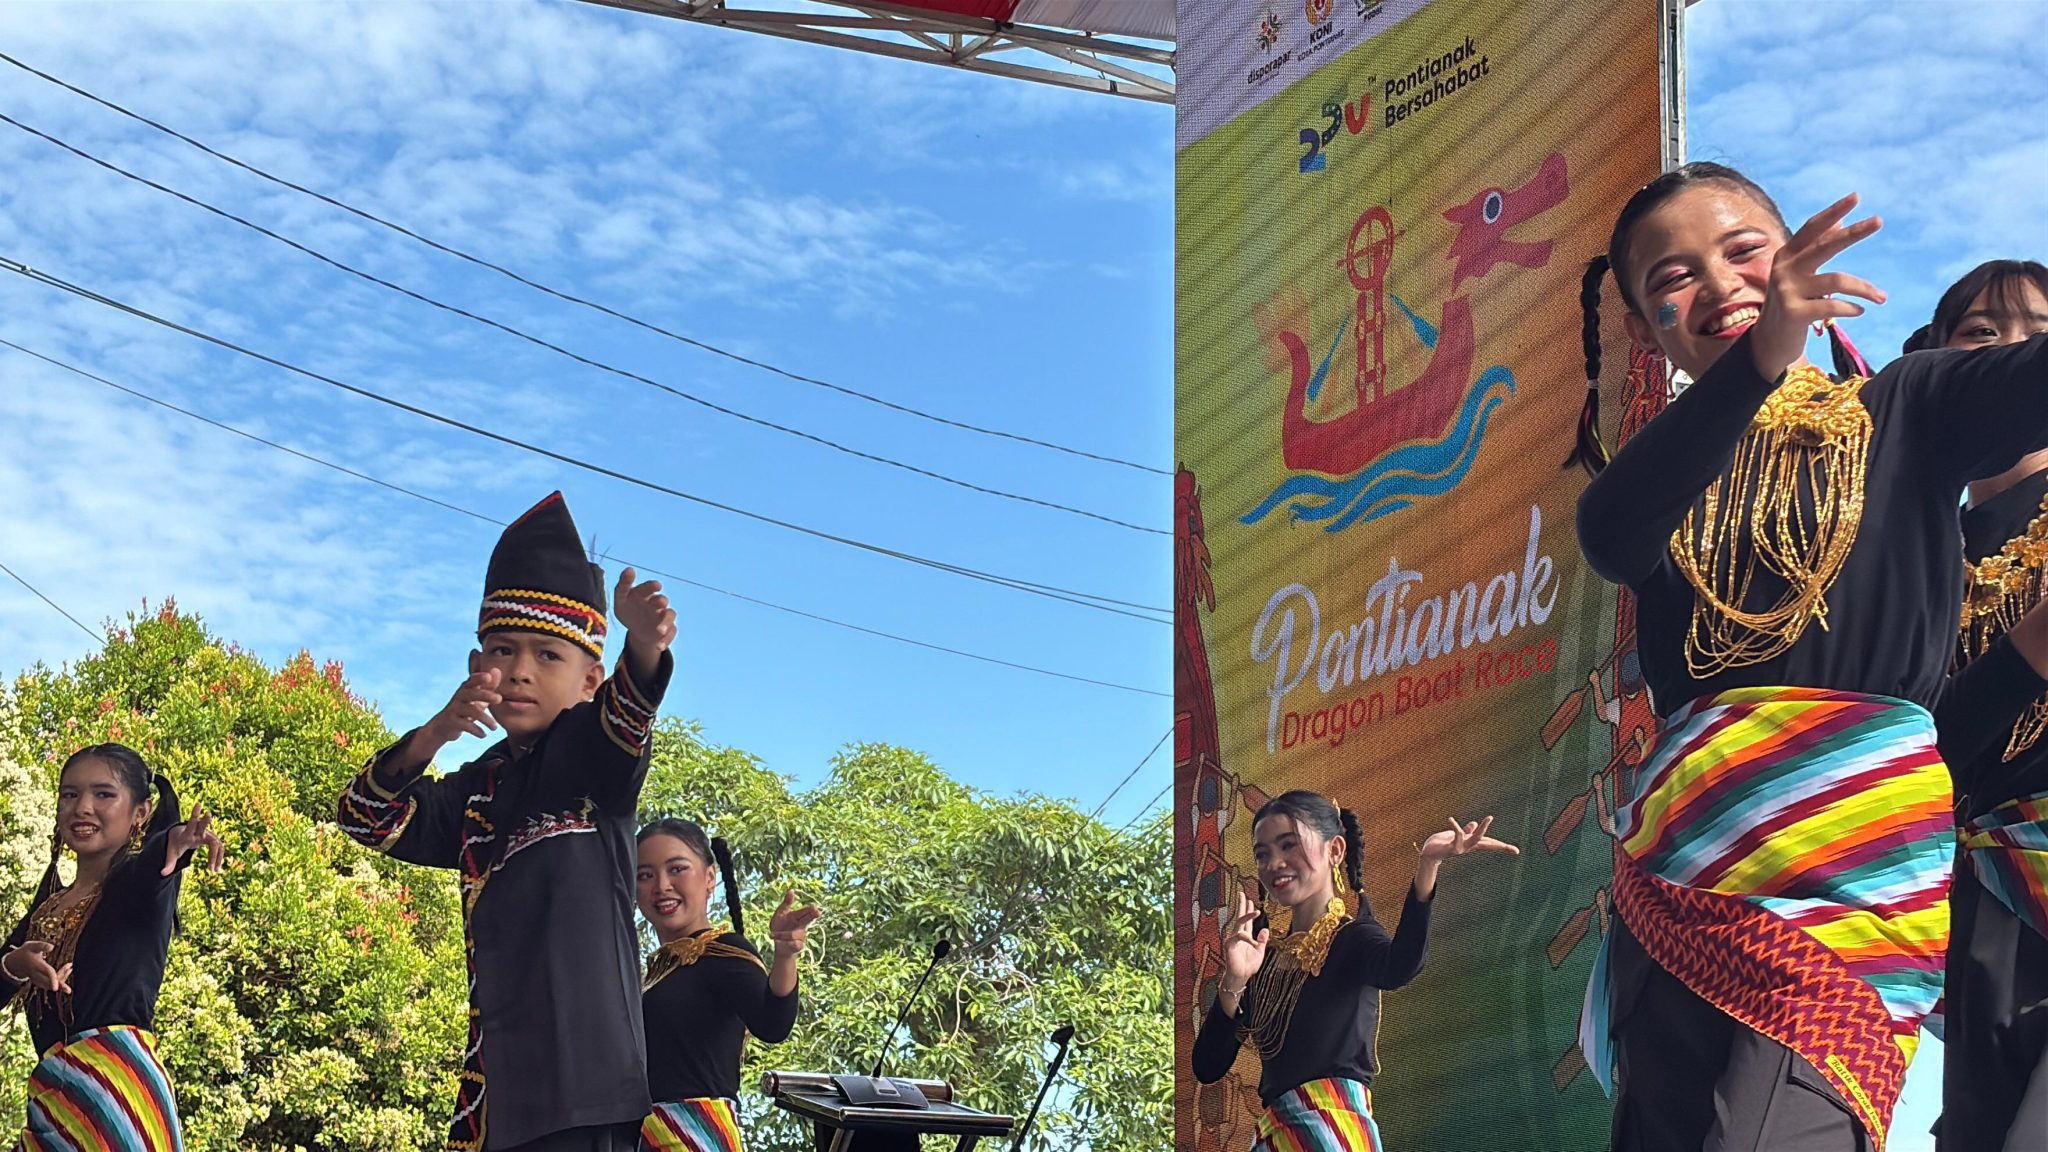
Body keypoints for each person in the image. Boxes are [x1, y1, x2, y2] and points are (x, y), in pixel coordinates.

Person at [1572, 162, 2048, 1152]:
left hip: (1850, 878)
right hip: (1683, 876)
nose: (1717, 283)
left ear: (1794, 257)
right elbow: (1608, 532)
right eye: (1672, 279)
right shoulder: (1661, 477)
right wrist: (1753, 368)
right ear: (1648, 331)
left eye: (1742, 251)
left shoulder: (1907, 409)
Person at [335, 491, 677, 1152]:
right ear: (476, 667)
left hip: (586, 1092)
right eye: (502, 650)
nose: (520, 671)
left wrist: (644, 645)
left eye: (548, 655)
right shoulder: (475, 789)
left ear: (590, 680)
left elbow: (627, 714)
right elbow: (363, 818)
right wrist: (432, 735)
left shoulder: (593, 755)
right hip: (495, 1098)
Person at [1190, 790, 1516, 1151]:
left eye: (1288, 845)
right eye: (1262, 854)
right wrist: (1235, 980)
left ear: (1335, 850)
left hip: (1335, 1133)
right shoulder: (1262, 960)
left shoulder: (1352, 937)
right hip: (1278, 1137)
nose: (1274, 863)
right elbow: (1208, 1066)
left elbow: (1400, 966)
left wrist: (1428, 865)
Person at [1920, 258, 2048, 1152]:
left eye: (2039, 336)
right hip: (1974, 901)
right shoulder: (1899, 545)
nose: (2011, 350)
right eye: (1981, 333)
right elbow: (1907, 741)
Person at [0, 742, 225, 1151]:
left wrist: (178, 841)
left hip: (118, 1094)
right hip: (55, 1098)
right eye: (70, 794)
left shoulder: (137, 886)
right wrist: (15, 964)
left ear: (140, 813)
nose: (82, 807)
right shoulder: (48, 904)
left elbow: (159, 862)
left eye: (104, 794)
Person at [633, 819, 818, 1152]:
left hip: (697, 1137)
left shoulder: (722, 951)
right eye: (645, 875)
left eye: (677, 869)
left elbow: (773, 1023)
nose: (661, 885)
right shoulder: (653, 973)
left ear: (709, 878)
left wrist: (785, 955)